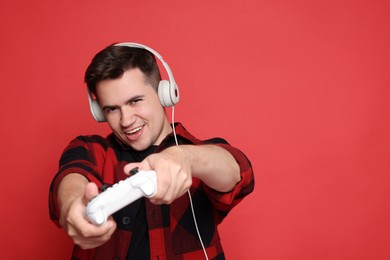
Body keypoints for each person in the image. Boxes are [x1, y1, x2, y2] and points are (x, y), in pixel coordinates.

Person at [48, 42, 255, 260]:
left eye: (135, 101)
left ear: (165, 94)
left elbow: (238, 173)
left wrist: (184, 158)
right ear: (100, 112)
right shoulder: (90, 149)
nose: (126, 121)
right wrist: (72, 204)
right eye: (112, 109)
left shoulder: (200, 153)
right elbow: (72, 176)